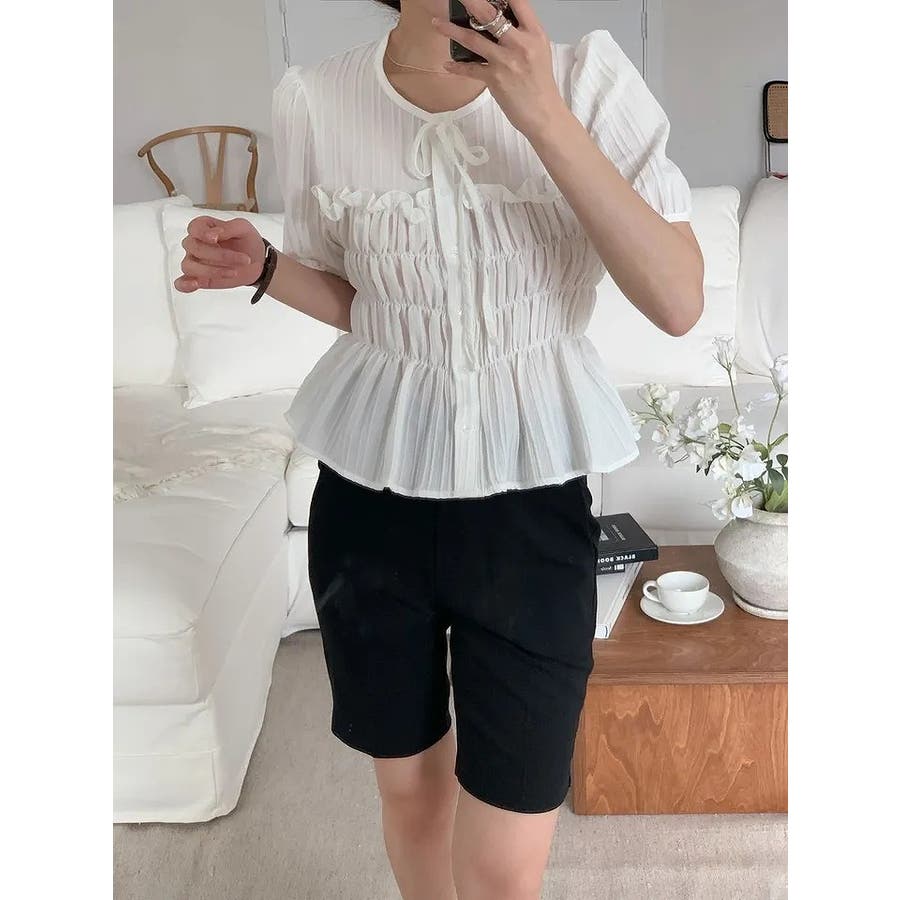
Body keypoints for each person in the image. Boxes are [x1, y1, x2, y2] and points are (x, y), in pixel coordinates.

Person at [174, 1, 704, 896]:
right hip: (370, 497)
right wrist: (265, 268)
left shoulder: (588, 80)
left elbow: (679, 300)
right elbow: (370, 306)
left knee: (506, 855)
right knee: (412, 792)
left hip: (530, 503)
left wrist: (541, 113)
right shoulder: (317, 98)